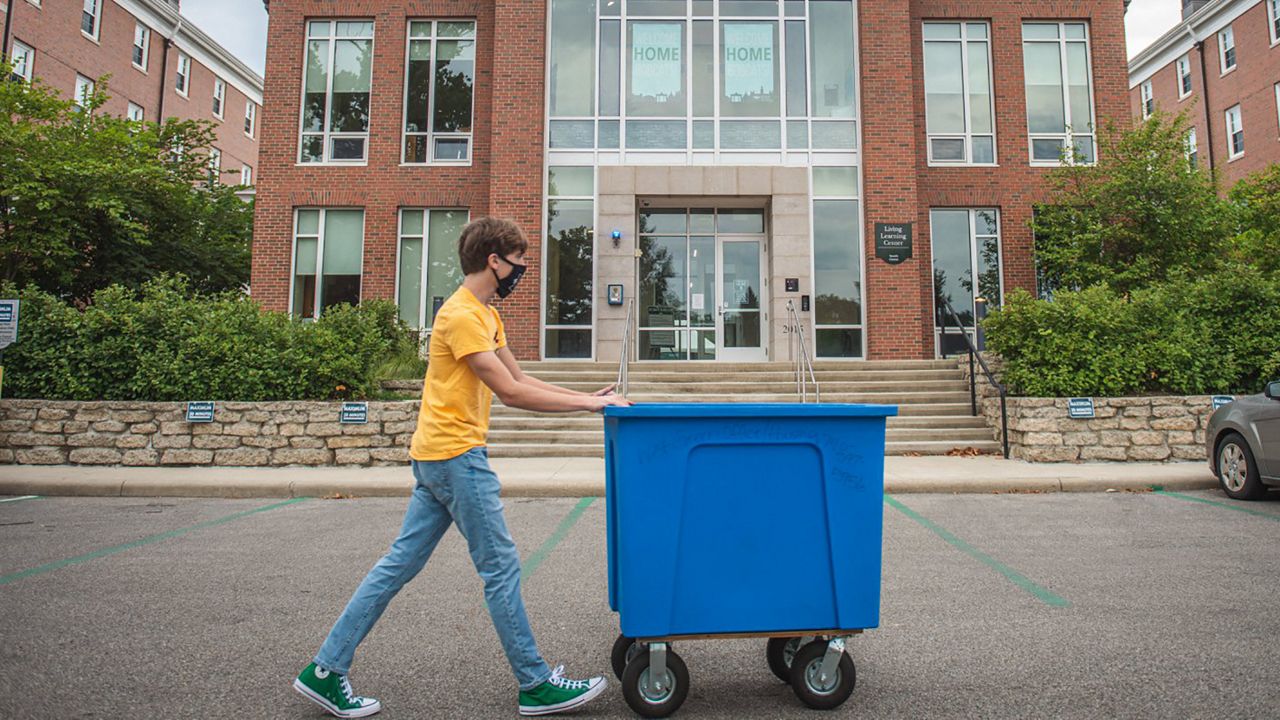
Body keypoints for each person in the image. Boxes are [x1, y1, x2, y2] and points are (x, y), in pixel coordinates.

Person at [292, 217, 632, 718]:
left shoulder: (486, 315)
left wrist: (587, 396)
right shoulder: (460, 316)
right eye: (518, 262)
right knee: (500, 567)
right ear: (494, 260)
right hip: (454, 456)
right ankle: (535, 684)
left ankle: (324, 670)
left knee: (397, 566)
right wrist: (589, 409)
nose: (522, 271)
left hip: (438, 456)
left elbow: (521, 377)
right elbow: (511, 394)